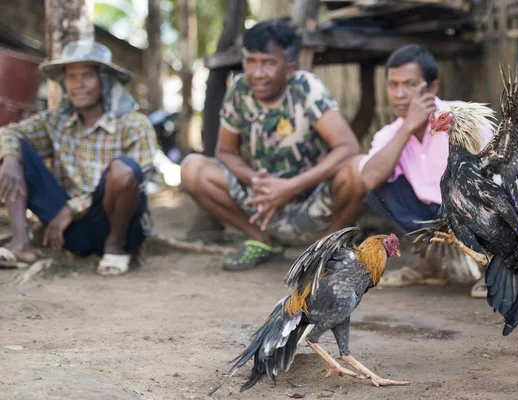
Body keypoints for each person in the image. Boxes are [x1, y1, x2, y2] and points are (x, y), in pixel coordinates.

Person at [181, 20, 364, 271]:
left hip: (312, 204)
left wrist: (291, 187)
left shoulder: (305, 87)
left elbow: (348, 147)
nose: (257, 73)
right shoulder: (239, 90)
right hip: (262, 204)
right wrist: (257, 181)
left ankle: (326, 250)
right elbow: (225, 152)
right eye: (251, 61)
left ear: (289, 68)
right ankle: (262, 241)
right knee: (193, 169)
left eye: (268, 63)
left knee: (358, 169)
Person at [0, 41, 158, 276]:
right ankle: (21, 244)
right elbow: (8, 132)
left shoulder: (134, 124)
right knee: (12, 149)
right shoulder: (56, 121)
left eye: (87, 75)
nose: (78, 84)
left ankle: (114, 248)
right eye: (72, 76)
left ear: (104, 80)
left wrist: (71, 209)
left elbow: (141, 177)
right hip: (68, 231)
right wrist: (10, 158)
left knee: (123, 170)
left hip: (119, 227)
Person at [358, 44, 492, 297]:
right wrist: (408, 127)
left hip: (474, 210)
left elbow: (493, 180)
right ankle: (431, 266)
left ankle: (496, 267)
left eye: (409, 84)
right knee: (380, 186)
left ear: (432, 89)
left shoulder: (461, 118)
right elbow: (369, 179)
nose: (399, 94)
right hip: (435, 219)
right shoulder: (391, 133)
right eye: (393, 85)